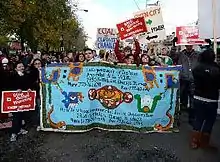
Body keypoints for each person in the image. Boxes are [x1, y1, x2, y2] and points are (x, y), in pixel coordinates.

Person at [190, 49, 220, 150]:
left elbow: (194, 79)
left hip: (198, 97)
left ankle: (194, 142)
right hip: (212, 99)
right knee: (209, 121)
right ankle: (204, 143)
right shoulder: (216, 69)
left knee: (198, 119)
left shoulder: (197, 68)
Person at [10, 62, 32, 142]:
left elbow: (27, 85)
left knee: (22, 115)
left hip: (23, 100)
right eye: (19, 67)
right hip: (15, 100)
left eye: (22, 66)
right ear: (16, 68)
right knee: (16, 116)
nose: (22, 68)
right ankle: (13, 133)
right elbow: (8, 86)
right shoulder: (12, 76)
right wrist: (15, 90)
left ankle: (20, 129)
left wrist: (29, 88)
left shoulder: (26, 75)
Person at [177, 45, 199, 124]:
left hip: (193, 79)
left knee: (193, 99)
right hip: (183, 79)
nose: (189, 46)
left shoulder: (197, 55)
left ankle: (192, 118)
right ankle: (179, 119)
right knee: (181, 100)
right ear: (185, 46)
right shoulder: (181, 55)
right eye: (187, 45)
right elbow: (173, 57)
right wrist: (174, 44)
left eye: (190, 45)